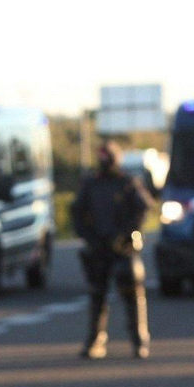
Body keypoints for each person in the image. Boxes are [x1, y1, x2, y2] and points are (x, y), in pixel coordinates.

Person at [70, 140, 153, 359]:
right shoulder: (91, 183)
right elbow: (77, 212)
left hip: (123, 248)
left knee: (132, 294)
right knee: (97, 294)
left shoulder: (127, 182)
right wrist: (88, 236)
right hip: (98, 247)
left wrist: (126, 233)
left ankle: (139, 341)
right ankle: (95, 341)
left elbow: (143, 207)